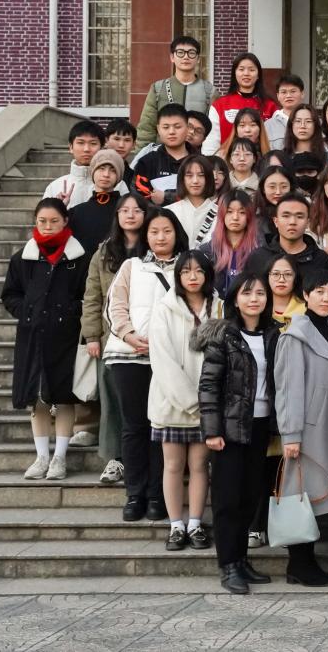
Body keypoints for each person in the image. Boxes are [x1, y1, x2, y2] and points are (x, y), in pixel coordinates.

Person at [197, 271, 280, 594]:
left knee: (249, 496)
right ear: (235, 299)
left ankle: (242, 560)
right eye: (247, 293)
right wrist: (212, 430)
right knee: (227, 499)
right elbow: (208, 385)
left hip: (260, 426)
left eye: (259, 293)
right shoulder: (224, 335)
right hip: (229, 429)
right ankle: (228, 565)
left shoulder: (273, 334)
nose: (254, 299)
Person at [104, 207, 188, 521]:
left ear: (176, 233)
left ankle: (157, 495)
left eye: (166, 231)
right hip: (129, 356)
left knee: (161, 426)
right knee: (134, 426)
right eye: (154, 232)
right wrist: (128, 334)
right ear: (145, 235)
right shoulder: (132, 266)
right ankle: (134, 494)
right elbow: (115, 304)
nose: (160, 237)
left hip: (169, 360)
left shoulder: (187, 267)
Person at [2, 198, 89, 481]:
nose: (48, 226)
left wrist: (71, 313)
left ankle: (59, 458)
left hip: (66, 337)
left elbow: (88, 296)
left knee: (63, 397)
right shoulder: (22, 258)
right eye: (42, 221)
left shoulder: (79, 258)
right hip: (31, 336)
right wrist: (26, 311)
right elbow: (10, 294)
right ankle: (41, 457)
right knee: (36, 399)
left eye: (54, 221)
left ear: (65, 221)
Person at [274, 268, 328, 586]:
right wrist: (291, 434)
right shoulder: (294, 335)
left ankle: (307, 562)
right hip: (306, 428)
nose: (326, 298)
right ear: (305, 295)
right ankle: (298, 564)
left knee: (314, 494)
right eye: (319, 291)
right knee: (299, 493)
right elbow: (288, 388)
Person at [146, 252, 223, 551]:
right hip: (172, 403)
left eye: (199, 271)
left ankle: (195, 524)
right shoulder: (164, 309)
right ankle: (176, 525)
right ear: (177, 276)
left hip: (208, 404)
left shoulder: (218, 307)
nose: (193, 277)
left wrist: (208, 402)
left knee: (201, 465)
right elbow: (162, 360)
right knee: (173, 465)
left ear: (207, 275)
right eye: (186, 271)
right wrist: (193, 402)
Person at [81, 192, 148, 485]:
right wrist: (91, 335)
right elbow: (92, 296)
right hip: (111, 338)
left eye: (137, 210)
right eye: (124, 210)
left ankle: (146, 457)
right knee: (112, 402)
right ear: (117, 216)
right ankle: (115, 458)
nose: (130, 215)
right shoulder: (104, 252)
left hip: (147, 337)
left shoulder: (153, 248)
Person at [135, 35, 217, 149]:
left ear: (198, 58)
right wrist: (142, 153)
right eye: (180, 52)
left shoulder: (209, 91)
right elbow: (146, 127)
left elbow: (214, 131)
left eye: (191, 53)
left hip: (196, 154)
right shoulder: (158, 88)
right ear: (172, 57)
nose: (186, 57)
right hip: (162, 153)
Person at [202, 52, 277, 156]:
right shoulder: (220, 105)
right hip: (227, 162)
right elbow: (211, 143)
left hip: (263, 161)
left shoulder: (270, 106)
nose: (246, 73)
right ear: (235, 74)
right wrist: (211, 162)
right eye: (241, 69)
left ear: (258, 75)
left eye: (251, 70)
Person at [245, 192, 328, 276]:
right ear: (276, 221)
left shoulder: (320, 259)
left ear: (308, 222)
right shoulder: (258, 257)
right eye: (286, 216)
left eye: (299, 217)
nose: (292, 222)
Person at [200, 190, 260, 300]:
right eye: (229, 211)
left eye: (242, 212)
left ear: (249, 216)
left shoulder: (259, 251)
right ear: (221, 214)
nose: (235, 217)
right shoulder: (206, 252)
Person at [44, 121, 119, 206]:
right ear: (71, 147)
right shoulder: (55, 187)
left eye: (93, 143)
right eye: (80, 143)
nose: (86, 149)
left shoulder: (117, 184)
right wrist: (59, 209)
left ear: (101, 148)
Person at [133, 103, 193, 206]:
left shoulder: (200, 162)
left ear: (187, 128)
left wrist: (166, 197)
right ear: (158, 129)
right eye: (166, 127)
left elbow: (205, 195)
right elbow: (138, 200)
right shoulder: (146, 162)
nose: (171, 132)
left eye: (177, 127)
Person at [66, 148, 125, 251]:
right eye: (101, 168)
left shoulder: (125, 210)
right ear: (93, 171)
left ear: (118, 176)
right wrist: (59, 209)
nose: (106, 174)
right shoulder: (77, 212)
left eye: (113, 170)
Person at [165, 155, 219, 249]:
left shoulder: (220, 213)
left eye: (201, 175)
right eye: (189, 176)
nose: (195, 181)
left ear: (209, 179)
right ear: (182, 179)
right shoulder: (169, 212)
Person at [264, 74, 306, 151]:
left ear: (302, 94)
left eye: (293, 91)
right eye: (284, 92)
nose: (288, 95)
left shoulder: (313, 121)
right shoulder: (268, 125)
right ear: (278, 96)